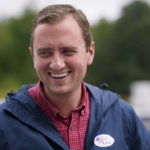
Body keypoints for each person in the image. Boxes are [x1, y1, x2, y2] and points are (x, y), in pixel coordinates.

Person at [0, 4, 150, 150]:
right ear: (33, 56)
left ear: (90, 52)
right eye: (45, 53)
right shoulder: (5, 123)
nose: (57, 64)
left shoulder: (122, 116)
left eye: (68, 51)